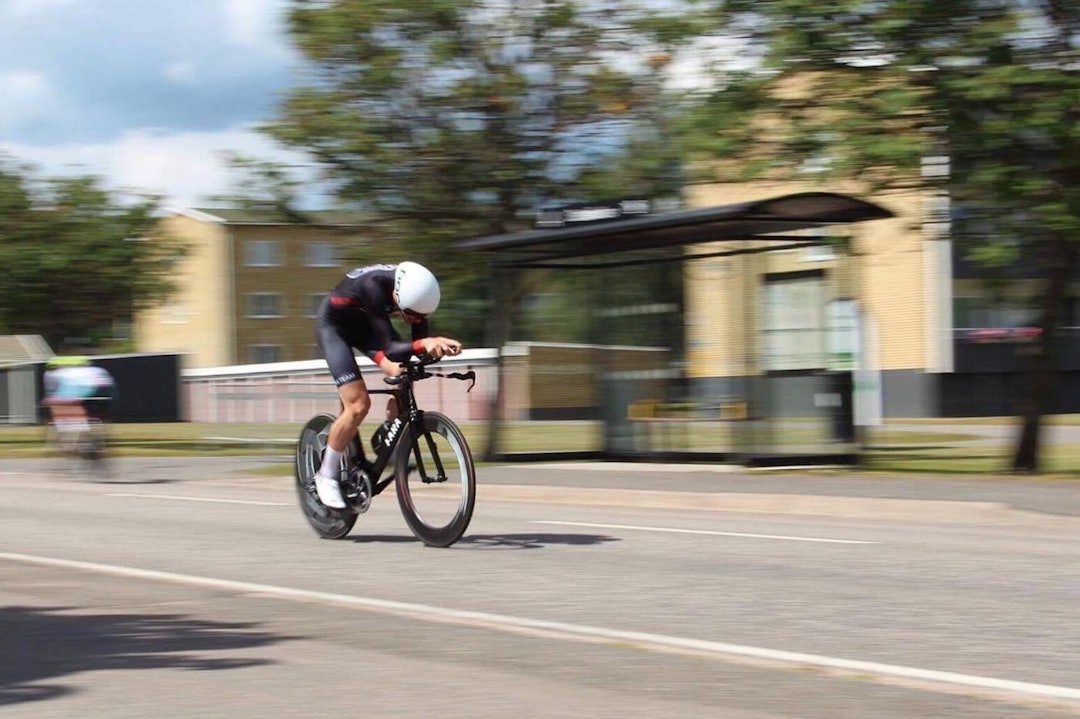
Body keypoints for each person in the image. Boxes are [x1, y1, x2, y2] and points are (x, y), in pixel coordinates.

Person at [313, 261, 462, 508]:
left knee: (408, 368)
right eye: (410, 314)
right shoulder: (374, 286)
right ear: (397, 294)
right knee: (359, 405)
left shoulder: (414, 294)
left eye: (421, 317)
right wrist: (424, 343)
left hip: (365, 325)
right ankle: (326, 474)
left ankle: (389, 430)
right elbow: (389, 347)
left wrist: (436, 347)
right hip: (334, 328)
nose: (414, 320)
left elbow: (415, 349)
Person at [42, 356, 116, 444]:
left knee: (63, 407)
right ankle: (93, 432)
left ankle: (72, 432)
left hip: (82, 395)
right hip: (104, 396)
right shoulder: (97, 370)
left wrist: (52, 400)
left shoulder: (61, 373)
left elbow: (66, 390)